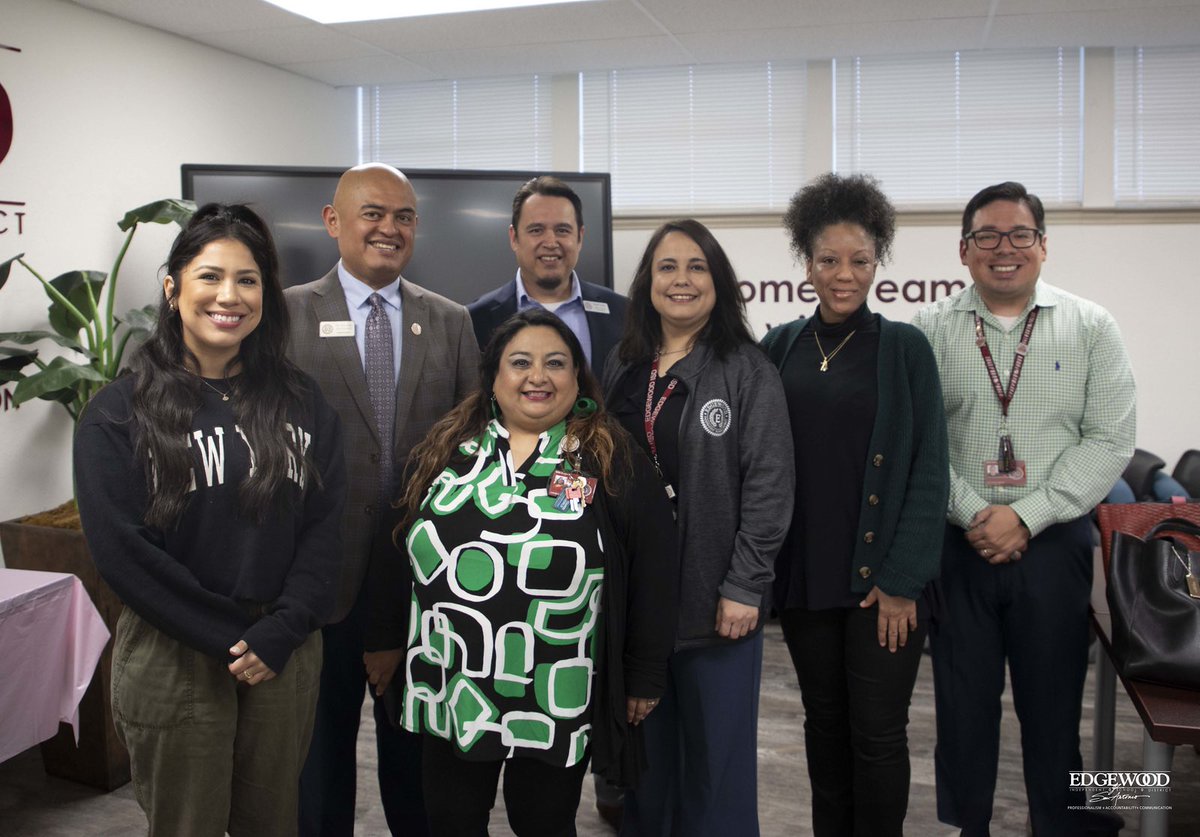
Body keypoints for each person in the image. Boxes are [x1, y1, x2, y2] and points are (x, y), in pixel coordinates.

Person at [73, 203, 346, 836]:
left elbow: (325, 528)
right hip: (176, 654)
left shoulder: (303, 401)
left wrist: (282, 629)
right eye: (210, 276)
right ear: (173, 289)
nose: (230, 296)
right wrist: (230, 634)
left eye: (248, 280)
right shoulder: (118, 413)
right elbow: (123, 552)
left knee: (273, 821)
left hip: (282, 649)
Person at [391, 308, 679, 836]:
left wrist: (644, 672)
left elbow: (655, 569)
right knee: (451, 822)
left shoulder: (609, 455)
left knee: (543, 824)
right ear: (494, 377)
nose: (537, 376)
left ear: (577, 377)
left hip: (555, 690)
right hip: (454, 682)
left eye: (556, 363)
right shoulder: (448, 450)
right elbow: (400, 557)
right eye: (520, 362)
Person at [912, 181, 1135, 837]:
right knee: (963, 704)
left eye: (1019, 235)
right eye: (987, 235)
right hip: (959, 547)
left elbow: (1110, 438)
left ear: (1043, 246)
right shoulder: (927, 332)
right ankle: (968, 824)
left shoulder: (1091, 326)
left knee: (1054, 702)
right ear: (963, 249)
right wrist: (979, 513)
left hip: (1055, 545)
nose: (1003, 248)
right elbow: (921, 442)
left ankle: (1061, 823)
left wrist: (1028, 514)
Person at [286, 163, 479, 836]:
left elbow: (469, 454)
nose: (388, 228)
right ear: (333, 220)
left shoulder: (452, 323)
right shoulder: (281, 315)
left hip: (421, 589)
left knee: (417, 772)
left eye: (403, 216)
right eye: (372, 213)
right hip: (315, 588)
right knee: (316, 774)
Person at [760, 173, 949, 836]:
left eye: (860, 261)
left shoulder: (905, 349)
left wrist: (903, 582)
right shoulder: (779, 346)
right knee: (825, 727)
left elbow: (931, 472)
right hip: (807, 579)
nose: (844, 275)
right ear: (806, 263)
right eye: (829, 260)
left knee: (877, 736)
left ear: (879, 263)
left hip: (882, 590)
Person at [602, 219, 794, 836]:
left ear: (719, 283)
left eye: (696, 267)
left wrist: (745, 584)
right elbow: (592, 463)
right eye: (666, 267)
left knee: (717, 769)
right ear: (646, 281)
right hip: (635, 606)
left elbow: (770, 481)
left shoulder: (745, 369)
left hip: (716, 605)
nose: (681, 280)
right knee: (646, 767)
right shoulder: (623, 365)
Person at [468, 175, 627, 371]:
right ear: (514, 238)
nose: (551, 243)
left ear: (580, 238)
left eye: (562, 230)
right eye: (536, 230)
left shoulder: (623, 313)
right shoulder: (474, 320)